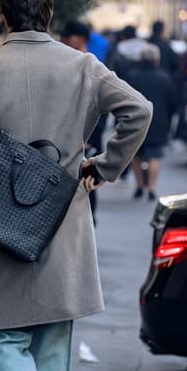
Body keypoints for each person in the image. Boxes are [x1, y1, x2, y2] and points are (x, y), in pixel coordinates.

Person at [0, 0, 152, 371]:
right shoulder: (83, 67)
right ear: (50, 14)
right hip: (63, 222)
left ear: (4, 17)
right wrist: (105, 167)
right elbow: (139, 111)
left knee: (0, 337)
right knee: (51, 346)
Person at [61, 20, 102, 223]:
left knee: (87, 186)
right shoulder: (88, 64)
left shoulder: (88, 65)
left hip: (86, 141)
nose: (64, 42)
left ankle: (89, 221)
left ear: (78, 39)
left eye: (67, 38)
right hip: (83, 140)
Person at [128, 44, 178, 201]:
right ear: (157, 59)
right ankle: (151, 187)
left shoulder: (132, 76)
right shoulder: (165, 77)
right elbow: (172, 103)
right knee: (155, 156)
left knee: (136, 155)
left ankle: (138, 185)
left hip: (135, 122)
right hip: (159, 122)